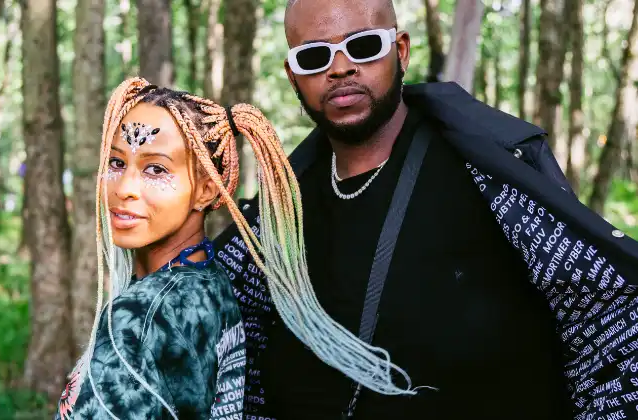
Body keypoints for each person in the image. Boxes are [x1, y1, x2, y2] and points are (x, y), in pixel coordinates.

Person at [213, 0, 638, 419]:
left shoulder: (493, 179)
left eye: (363, 46)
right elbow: (236, 353)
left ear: (400, 51)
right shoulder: (276, 213)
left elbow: (606, 319)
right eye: (314, 57)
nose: (340, 68)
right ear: (293, 75)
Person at [53, 77, 334, 420]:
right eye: (116, 163)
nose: (124, 188)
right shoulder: (211, 283)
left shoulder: (141, 316)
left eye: (155, 169)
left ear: (206, 189)